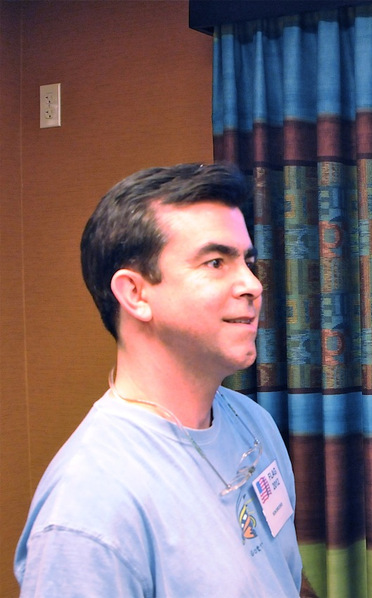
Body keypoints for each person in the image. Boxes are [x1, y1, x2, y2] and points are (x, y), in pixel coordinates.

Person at [15, 163, 317, 597]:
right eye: (216, 262)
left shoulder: (251, 422)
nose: (253, 284)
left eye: (248, 262)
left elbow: (281, 572)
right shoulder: (87, 512)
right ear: (135, 294)